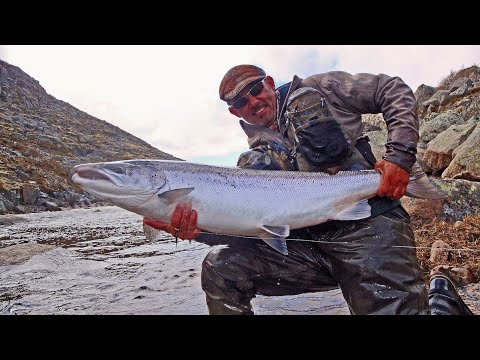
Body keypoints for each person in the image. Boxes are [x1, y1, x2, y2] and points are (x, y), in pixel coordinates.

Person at [144, 64, 473, 315]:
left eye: (256, 90)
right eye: (241, 101)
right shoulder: (254, 157)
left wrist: (399, 158)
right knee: (220, 267)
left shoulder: (322, 89)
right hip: (310, 248)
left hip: (371, 229)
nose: (253, 101)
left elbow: (393, 90)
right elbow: (248, 225)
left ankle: (441, 298)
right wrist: (197, 230)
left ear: (269, 84)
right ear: (234, 111)